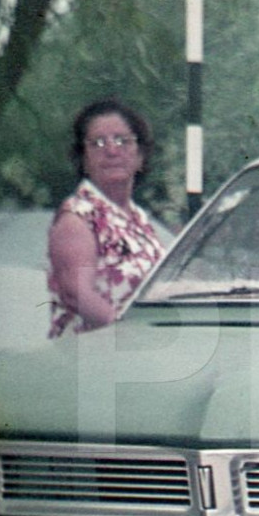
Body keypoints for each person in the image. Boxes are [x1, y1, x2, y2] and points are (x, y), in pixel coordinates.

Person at [47, 99, 166, 338]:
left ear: (141, 156)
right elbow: (77, 294)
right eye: (98, 143)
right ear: (83, 159)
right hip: (91, 360)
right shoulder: (77, 218)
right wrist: (132, 335)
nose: (112, 150)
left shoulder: (139, 220)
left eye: (123, 141)